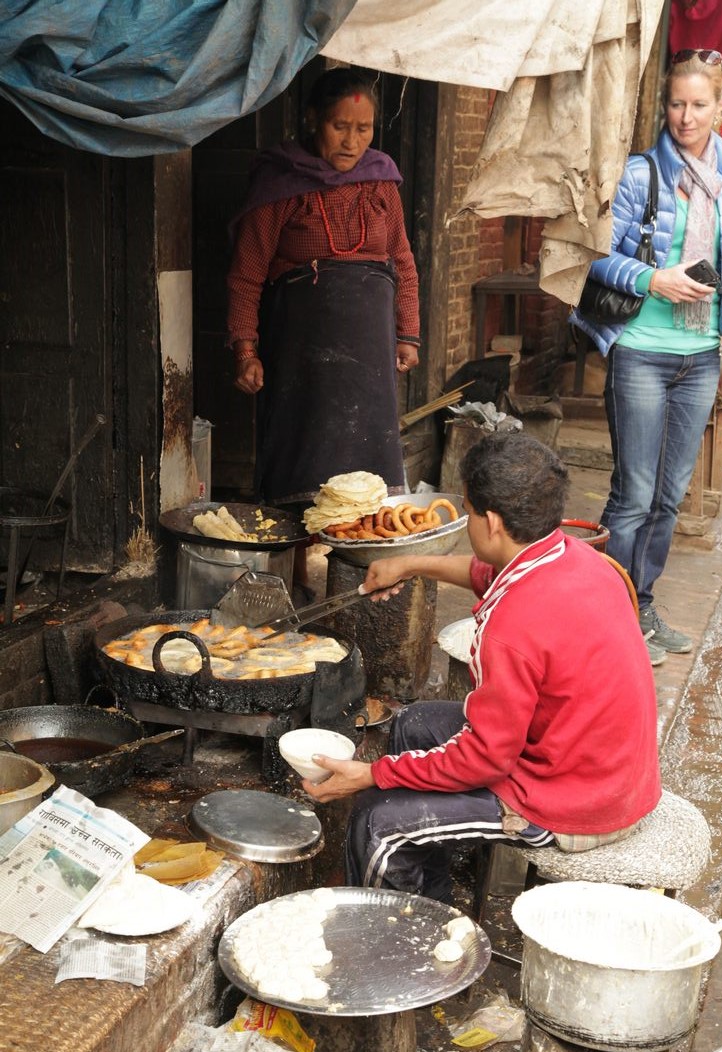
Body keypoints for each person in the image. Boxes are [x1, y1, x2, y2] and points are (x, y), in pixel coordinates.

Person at [302, 433, 661, 905]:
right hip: (595, 767)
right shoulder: (574, 557)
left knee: (377, 825)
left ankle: (401, 943)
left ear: (491, 522)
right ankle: (433, 903)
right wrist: (408, 564)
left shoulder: (513, 625)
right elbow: (484, 573)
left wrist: (372, 774)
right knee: (414, 724)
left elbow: (486, 758)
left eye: (469, 511)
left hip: (576, 804)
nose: (468, 520)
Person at [227, 67, 420, 592]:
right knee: (298, 470)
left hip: (368, 356)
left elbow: (402, 260)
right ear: (313, 119)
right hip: (301, 357)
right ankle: (290, 583)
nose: (352, 141)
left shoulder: (381, 179)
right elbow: (246, 274)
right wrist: (246, 349)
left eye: (364, 129)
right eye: (340, 126)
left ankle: (360, 582)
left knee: (367, 476)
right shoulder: (281, 182)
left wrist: (407, 333)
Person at [571, 49, 722, 667]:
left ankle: (640, 603)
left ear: (720, 106)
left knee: (668, 497)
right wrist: (652, 279)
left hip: (702, 356)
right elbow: (593, 254)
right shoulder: (641, 174)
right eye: (676, 104)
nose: (686, 117)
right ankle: (607, 614)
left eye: (699, 105)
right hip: (641, 350)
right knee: (634, 494)